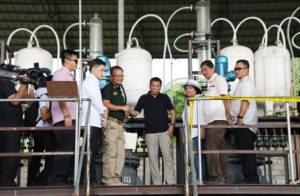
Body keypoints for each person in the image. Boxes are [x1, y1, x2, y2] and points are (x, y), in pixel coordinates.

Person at [131, 77, 176, 185]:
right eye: (153, 85)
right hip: (150, 133)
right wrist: (127, 110)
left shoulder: (164, 97)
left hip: (164, 132)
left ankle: (170, 182)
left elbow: (172, 111)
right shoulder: (143, 98)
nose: (155, 88)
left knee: (168, 157)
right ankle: (157, 183)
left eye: (157, 86)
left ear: (160, 87)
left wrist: (172, 125)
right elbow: (136, 112)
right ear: (149, 86)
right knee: (153, 159)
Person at [47, 49, 78, 186]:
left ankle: (62, 178)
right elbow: (59, 96)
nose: (77, 63)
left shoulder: (69, 76)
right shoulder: (60, 75)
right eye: (75, 60)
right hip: (64, 118)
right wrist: (66, 114)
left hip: (69, 117)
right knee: (64, 148)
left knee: (68, 148)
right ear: (66, 60)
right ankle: (56, 180)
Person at [200, 60, 230, 184]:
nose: (204, 73)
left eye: (206, 69)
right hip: (211, 120)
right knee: (219, 147)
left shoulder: (219, 80)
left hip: (218, 119)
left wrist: (227, 115)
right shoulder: (209, 83)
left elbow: (225, 97)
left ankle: (216, 177)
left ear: (213, 68)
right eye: (202, 71)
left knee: (211, 146)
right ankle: (223, 177)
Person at [230, 59, 259, 184]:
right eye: (235, 69)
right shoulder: (241, 83)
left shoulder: (247, 83)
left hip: (245, 123)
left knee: (247, 151)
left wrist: (240, 118)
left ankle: (252, 179)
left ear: (247, 70)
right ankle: (248, 177)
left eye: (239, 68)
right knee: (243, 151)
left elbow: (245, 101)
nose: (236, 71)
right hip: (241, 123)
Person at [101, 66, 131, 186]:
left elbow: (119, 106)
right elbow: (105, 104)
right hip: (111, 123)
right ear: (112, 76)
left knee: (120, 153)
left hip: (119, 124)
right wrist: (122, 108)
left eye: (121, 75)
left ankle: (116, 178)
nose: (119, 78)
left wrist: (129, 110)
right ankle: (108, 179)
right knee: (110, 152)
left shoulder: (119, 90)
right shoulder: (107, 88)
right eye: (117, 75)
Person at [81, 59, 107, 185]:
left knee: (92, 151)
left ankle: (90, 179)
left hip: (93, 121)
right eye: (102, 70)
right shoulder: (91, 81)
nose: (103, 73)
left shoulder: (92, 81)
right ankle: (87, 180)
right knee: (90, 151)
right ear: (94, 68)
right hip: (91, 121)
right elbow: (96, 99)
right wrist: (104, 112)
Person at [27, 75, 56, 186]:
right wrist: (56, 112)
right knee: (53, 154)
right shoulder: (45, 96)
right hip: (44, 129)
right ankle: (42, 180)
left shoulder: (40, 94)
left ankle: (31, 181)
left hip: (38, 129)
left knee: (37, 155)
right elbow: (44, 116)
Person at [0, 77, 28, 186]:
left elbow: (25, 98)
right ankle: (7, 182)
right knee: (10, 153)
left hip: (7, 124)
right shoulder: (4, 81)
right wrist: (24, 84)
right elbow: (15, 101)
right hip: (9, 125)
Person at [182, 79, 205, 184]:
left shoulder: (200, 101)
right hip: (188, 135)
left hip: (197, 134)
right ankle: (194, 178)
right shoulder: (187, 104)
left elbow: (203, 116)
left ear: (196, 90)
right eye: (186, 88)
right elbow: (185, 121)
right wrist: (184, 135)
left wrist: (203, 130)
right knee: (190, 158)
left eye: (190, 88)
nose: (188, 90)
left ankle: (200, 179)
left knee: (197, 157)